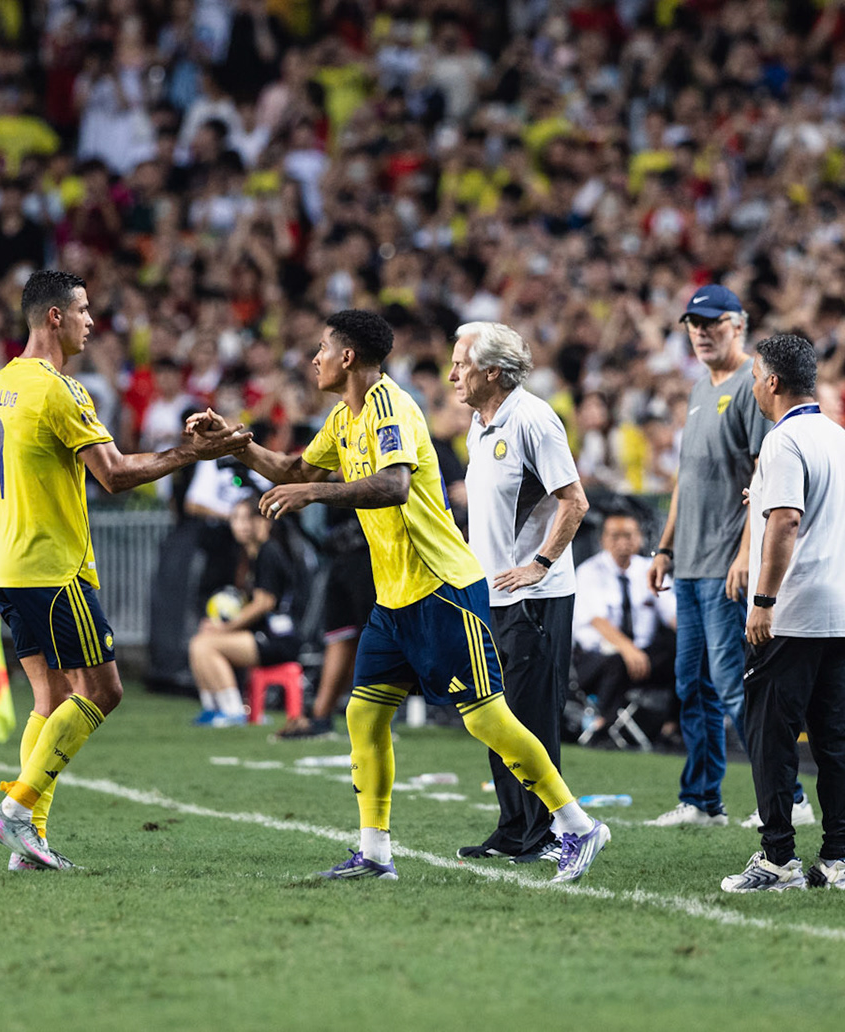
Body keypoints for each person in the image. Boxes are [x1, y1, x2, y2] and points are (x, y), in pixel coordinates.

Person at [197, 309, 611, 884]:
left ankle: (577, 825)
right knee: (363, 714)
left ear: (348, 357)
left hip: (443, 587)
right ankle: (375, 853)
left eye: (322, 347)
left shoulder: (391, 405)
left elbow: (394, 485)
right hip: (393, 599)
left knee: (488, 718)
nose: (313, 358)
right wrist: (237, 445)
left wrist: (313, 493)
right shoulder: (344, 418)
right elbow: (292, 467)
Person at [0, 269, 248, 873]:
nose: (91, 322)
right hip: (55, 569)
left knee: (49, 700)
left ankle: (30, 840)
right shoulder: (60, 389)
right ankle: (17, 810)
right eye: (83, 310)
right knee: (102, 690)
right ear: (55, 317)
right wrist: (192, 455)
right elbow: (116, 474)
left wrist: (18, 533)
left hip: (7, 565)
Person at [646, 285, 809, 830]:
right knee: (692, 685)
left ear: (738, 324)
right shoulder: (698, 387)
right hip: (690, 561)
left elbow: (764, 478)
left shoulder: (752, 386)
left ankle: (792, 798)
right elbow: (684, 480)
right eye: (693, 322)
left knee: (735, 686)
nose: (700, 331)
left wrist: (747, 554)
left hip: (724, 564)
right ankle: (701, 800)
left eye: (712, 322)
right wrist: (665, 545)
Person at [719, 335, 845, 894]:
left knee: (771, 736)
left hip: (797, 610)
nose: (754, 385)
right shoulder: (838, 436)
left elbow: (785, 522)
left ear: (773, 382)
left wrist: (762, 601)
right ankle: (837, 860)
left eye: (757, 375)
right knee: (836, 741)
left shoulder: (781, 443)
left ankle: (778, 857)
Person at [451, 321, 589, 862]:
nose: (451, 374)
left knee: (530, 717)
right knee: (497, 716)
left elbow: (573, 501)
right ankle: (515, 828)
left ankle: (543, 832)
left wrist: (540, 564)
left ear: (492, 372)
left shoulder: (534, 419)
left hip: (535, 598)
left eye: (460, 364)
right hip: (489, 595)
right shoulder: (479, 423)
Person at [187, 498, 304, 726]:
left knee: (206, 645)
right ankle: (213, 708)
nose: (239, 525)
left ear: (261, 522)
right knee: (198, 641)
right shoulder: (248, 556)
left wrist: (224, 628)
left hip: (279, 639)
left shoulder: (269, 552)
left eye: (245, 518)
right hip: (262, 635)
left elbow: (264, 603)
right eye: (234, 519)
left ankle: (233, 711)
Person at [273, 507, 374, 740]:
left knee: (374, 637)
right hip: (342, 555)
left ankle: (379, 714)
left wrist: (311, 490)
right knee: (340, 635)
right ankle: (321, 715)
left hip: (374, 551)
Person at [571, 512, 670, 742]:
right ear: (603, 540)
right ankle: (602, 725)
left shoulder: (650, 569)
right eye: (615, 536)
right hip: (595, 658)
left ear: (641, 538)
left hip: (642, 659)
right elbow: (598, 620)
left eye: (629, 535)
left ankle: (672, 727)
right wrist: (629, 650)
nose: (622, 541)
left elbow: (672, 612)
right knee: (616, 662)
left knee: (683, 654)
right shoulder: (589, 571)